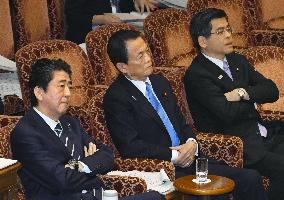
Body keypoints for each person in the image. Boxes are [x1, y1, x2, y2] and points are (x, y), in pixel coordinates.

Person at [103, 29, 268, 200]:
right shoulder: (117, 97)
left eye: (147, 51)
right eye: (140, 56)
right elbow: (131, 146)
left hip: (192, 161)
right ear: (122, 67)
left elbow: (182, 123)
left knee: (250, 178)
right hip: (162, 169)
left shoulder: (160, 82)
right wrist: (175, 156)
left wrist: (191, 143)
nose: (148, 58)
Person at [10, 58, 163, 200]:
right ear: (39, 92)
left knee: (156, 197)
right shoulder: (26, 133)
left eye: (69, 86)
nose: (68, 93)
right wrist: (92, 166)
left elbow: (107, 155)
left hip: (97, 196)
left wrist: (80, 165)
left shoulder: (70, 123)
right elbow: (62, 180)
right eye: (61, 86)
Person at [183, 8, 284, 200]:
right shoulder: (197, 75)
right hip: (239, 147)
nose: (229, 35)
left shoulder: (237, 60)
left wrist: (242, 93)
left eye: (228, 29)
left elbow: (271, 90)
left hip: (264, 134)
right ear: (202, 41)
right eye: (220, 32)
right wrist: (253, 100)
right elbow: (227, 113)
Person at [65, 0, 159, 44]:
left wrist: (136, 2)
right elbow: (73, 17)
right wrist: (101, 19)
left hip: (121, 30)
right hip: (89, 37)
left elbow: (122, 6)